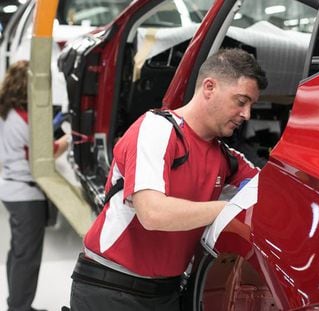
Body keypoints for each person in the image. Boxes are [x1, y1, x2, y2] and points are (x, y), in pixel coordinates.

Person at [69, 48, 268, 311]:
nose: (247, 114)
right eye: (241, 101)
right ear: (209, 87)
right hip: (113, 289)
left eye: (251, 105)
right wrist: (230, 210)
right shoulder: (157, 129)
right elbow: (152, 213)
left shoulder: (227, 158)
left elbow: (269, 191)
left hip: (167, 293)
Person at [0, 60, 69, 311]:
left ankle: (16, 303)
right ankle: (19, 308)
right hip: (27, 194)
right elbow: (48, 153)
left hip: (10, 187)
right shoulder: (30, 118)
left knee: (18, 252)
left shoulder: (6, 112)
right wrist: (70, 137)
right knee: (27, 257)